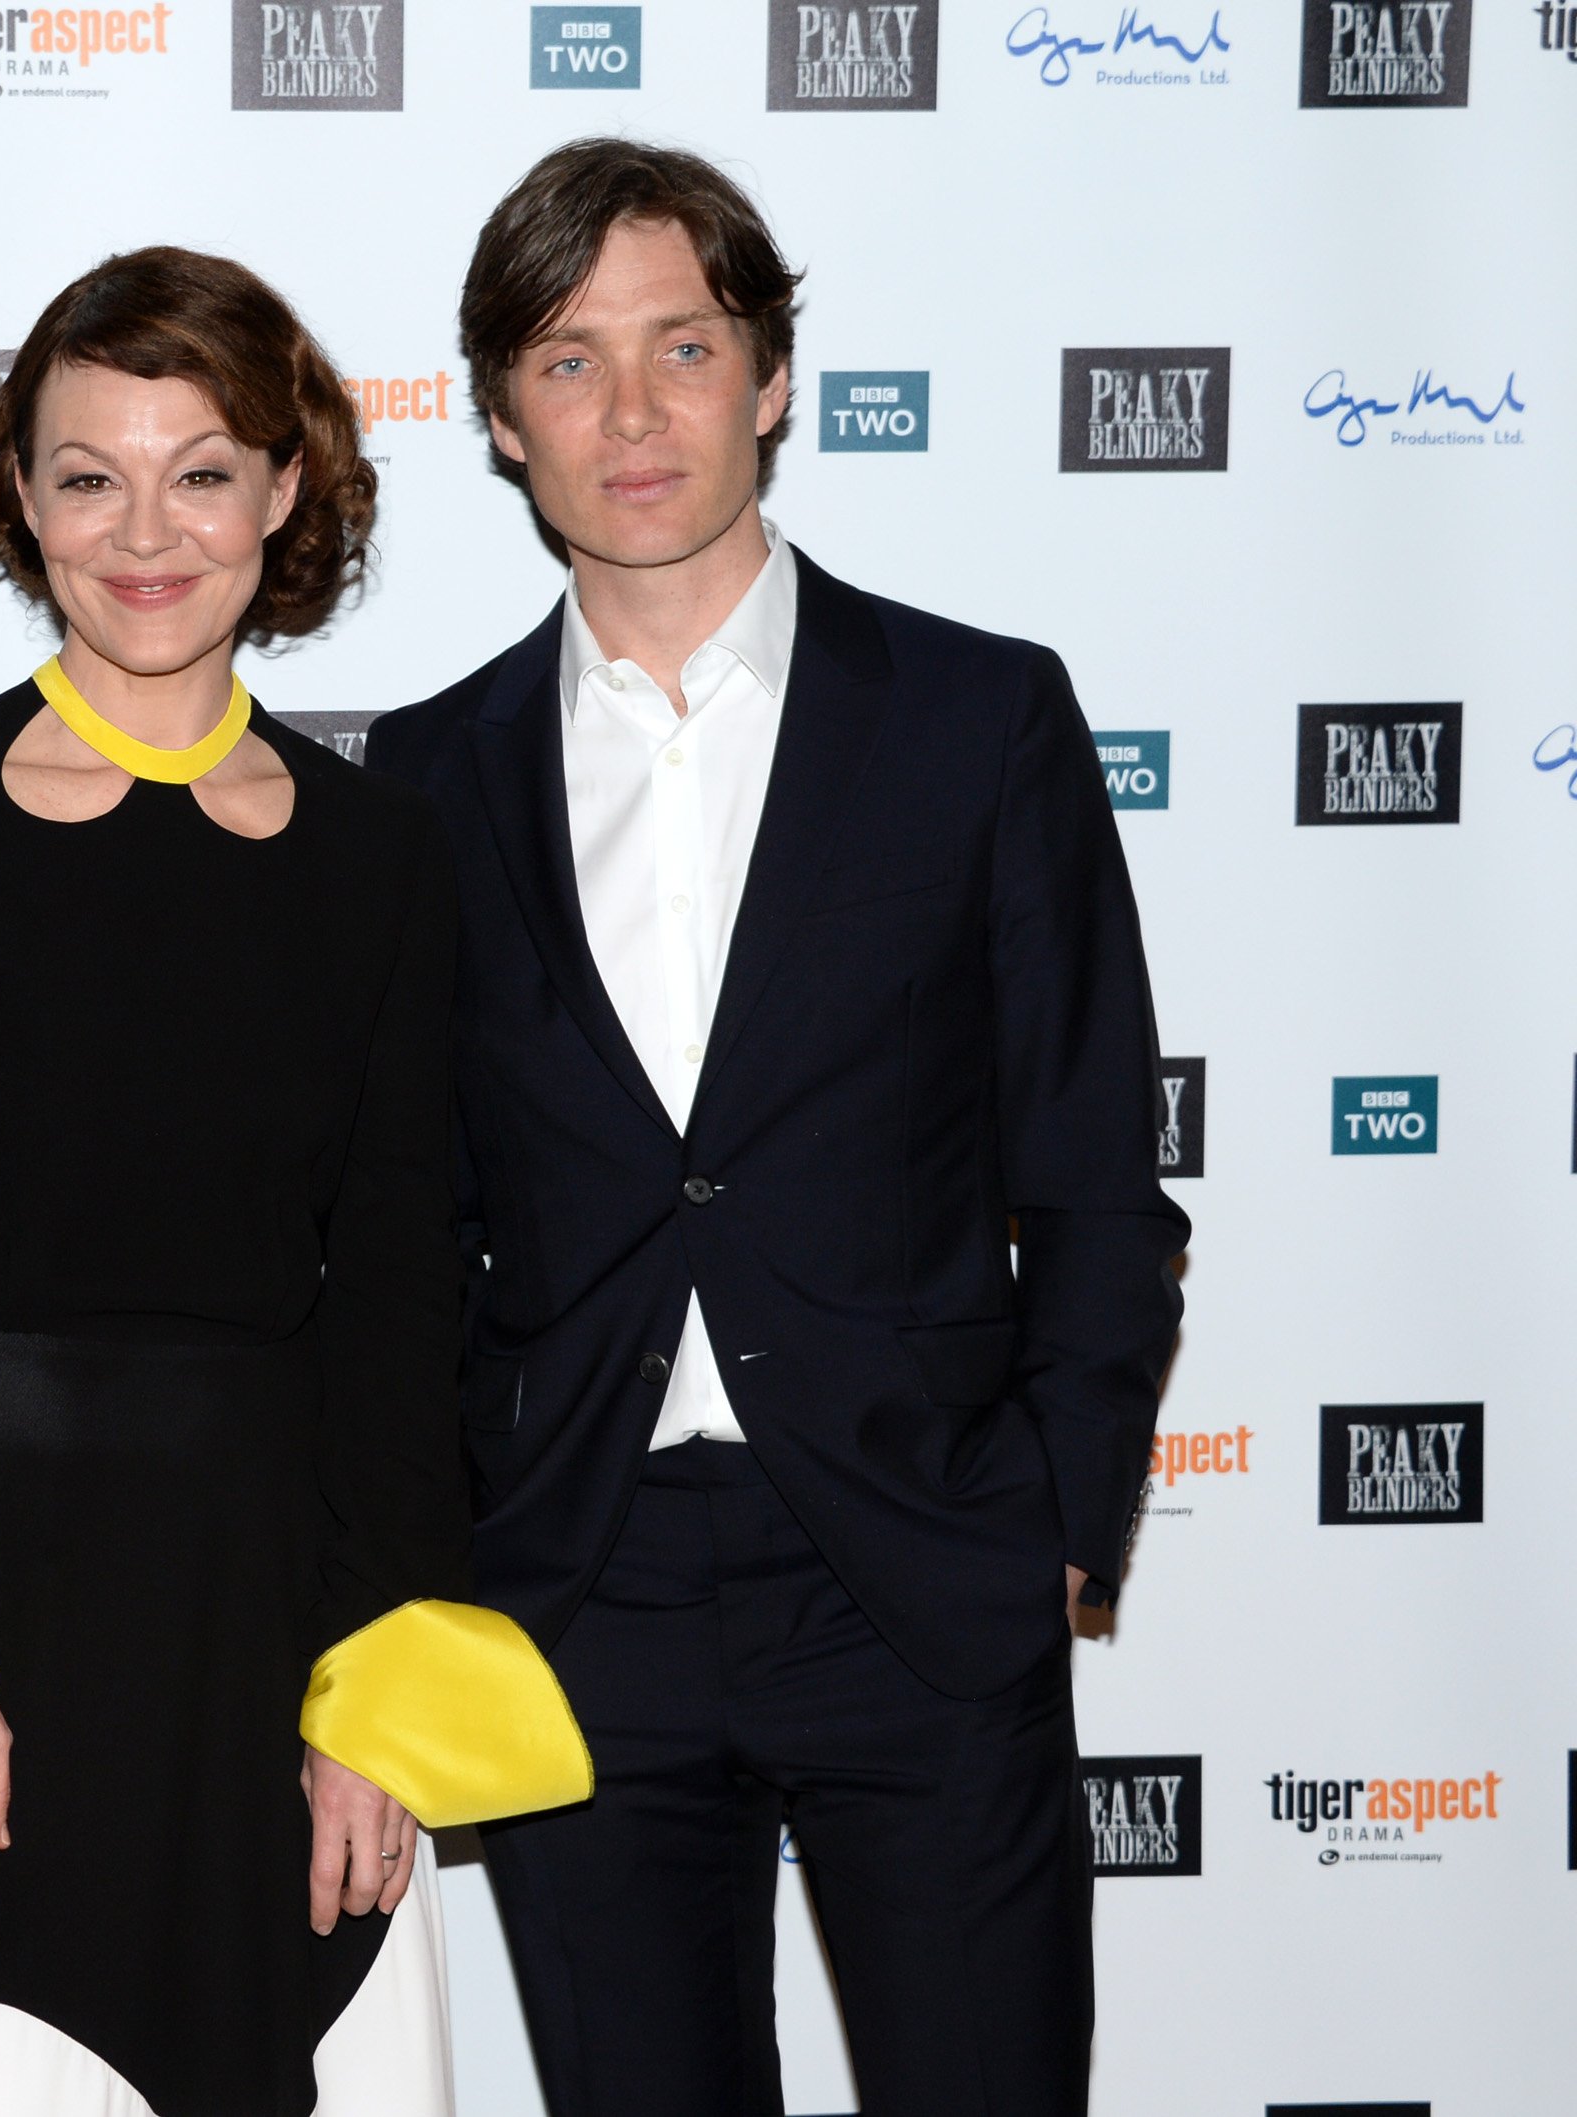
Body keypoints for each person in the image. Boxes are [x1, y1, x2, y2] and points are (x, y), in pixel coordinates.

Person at [368, 141, 1189, 2116]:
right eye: (569, 362)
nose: (631, 413)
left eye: (681, 347)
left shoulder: (978, 721)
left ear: (772, 379)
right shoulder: (424, 781)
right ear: (500, 417)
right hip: (581, 1594)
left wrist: (1059, 1517)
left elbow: (1089, 1160)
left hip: (917, 1576)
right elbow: (410, 1227)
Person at [0, 247, 591, 2117]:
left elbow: (403, 1296)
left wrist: (378, 1700)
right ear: (25, 503)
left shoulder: (381, 857)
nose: (147, 530)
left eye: (203, 470)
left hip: (277, 1631)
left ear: (287, 490)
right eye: (89, 476)